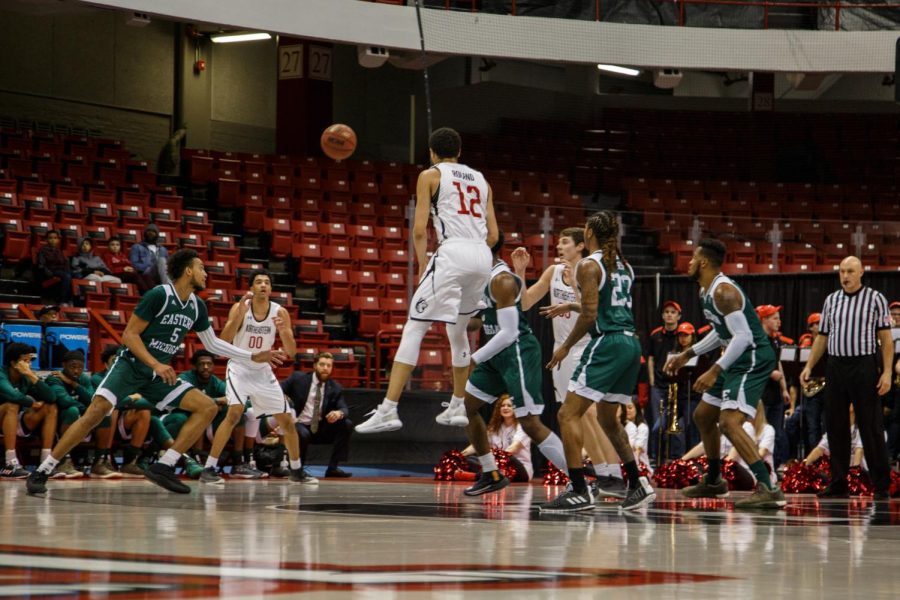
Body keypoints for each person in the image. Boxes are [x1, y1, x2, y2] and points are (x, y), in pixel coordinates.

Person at [25, 248, 285, 495]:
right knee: (96, 412)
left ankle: (164, 466)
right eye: (201, 268)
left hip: (156, 374)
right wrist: (156, 364)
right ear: (187, 272)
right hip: (131, 365)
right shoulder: (159, 295)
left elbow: (213, 344)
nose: (206, 274)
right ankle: (43, 470)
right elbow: (129, 335)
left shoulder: (197, 306)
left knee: (207, 407)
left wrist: (252, 355)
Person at [355, 127, 498, 434]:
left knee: (415, 327)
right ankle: (458, 404)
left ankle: (388, 409)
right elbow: (495, 235)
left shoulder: (430, 175)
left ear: (432, 152)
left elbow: (420, 230)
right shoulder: (482, 181)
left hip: (453, 252)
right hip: (482, 257)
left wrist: (423, 264)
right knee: (458, 331)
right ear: (459, 152)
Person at [541, 211, 656, 512]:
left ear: (589, 232)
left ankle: (579, 489)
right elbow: (605, 304)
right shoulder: (625, 266)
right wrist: (572, 303)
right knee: (607, 418)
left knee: (567, 415)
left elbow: (592, 315)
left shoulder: (588, 265)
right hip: (631, 343)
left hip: (608, 342)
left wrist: (565, 347)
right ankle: (636, 483)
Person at [665, 239, 786, 509]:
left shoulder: (724, 292)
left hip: (753, 356)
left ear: (704, 262)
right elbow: (722, 335)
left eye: (694, 258)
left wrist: (714, 369)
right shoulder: (705, 291)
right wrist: (687, 354)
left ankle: (769, 487)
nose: (690, 263)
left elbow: (742, 337)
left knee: (729, 422)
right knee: (703, 415)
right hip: (736, 356)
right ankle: (714, 480)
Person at [510, 227, 626, 498]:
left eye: (564, 242)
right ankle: (603, 475)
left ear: (580, 247)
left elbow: (592, 311)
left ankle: (615, 475)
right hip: (560, 351)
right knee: (577, 419)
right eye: (558, 242)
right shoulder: (552, 272)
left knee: (590, 415)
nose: (559, 246)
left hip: (585, 347)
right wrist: (520, 271)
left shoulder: (588, 271)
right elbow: (526, 303)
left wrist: (574, 283)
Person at [456, 235, 569, 497]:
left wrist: (473, 358)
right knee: (467, 408)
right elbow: (479, 322)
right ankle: (491, 473)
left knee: (529, 422)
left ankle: (581, 480)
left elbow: (508, 333)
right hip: (496, 352)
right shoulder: (479, 278)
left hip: (517, 349)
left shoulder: (502, 279)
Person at [799, 256, 893, 500]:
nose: (845, 276)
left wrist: (886, 372)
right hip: (836, 366)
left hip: (864, 365)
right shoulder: (832, 300)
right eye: (842, 271)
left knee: (870, 425)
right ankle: (838, 482)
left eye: (850, 271)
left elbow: (886, 340)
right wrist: (809, 365)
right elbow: (822, 337)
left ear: (861, 272)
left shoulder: (875, 298)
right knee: (835, 425)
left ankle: (881, 484)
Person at [213, 270, 310, 483]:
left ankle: (296, 470)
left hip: (262, 371)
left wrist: (284, 332)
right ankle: (209, 469)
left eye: (267, 282)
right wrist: (238, 315)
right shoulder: (240, 308)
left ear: (271, 289)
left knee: (287, 419)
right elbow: (224, 341)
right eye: (258, 282)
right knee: (234, 413)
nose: (263, 285)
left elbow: (292, 352)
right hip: (239, 367)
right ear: (251, 288)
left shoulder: (280, 312)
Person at [175, 350, 263, 480]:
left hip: (210, 424)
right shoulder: (185, 378)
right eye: (202, 364)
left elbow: (239, 400)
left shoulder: (215, 382)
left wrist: (225, 401)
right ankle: (198, 461)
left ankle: (238, 463)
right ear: (194, 366)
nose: (206, 367)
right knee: (200, 413)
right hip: (183, 420)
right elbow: (184, 401)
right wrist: (216, 401)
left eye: (209, 364)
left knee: (237, 414)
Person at [45, 350, 119, 478]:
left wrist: (74, 384)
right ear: (64, 365)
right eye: (72, 367)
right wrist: (85, 408)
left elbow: (92, 399)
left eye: (79, 368)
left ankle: (99, 462)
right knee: (72, 411)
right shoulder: (54, 378)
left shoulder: (83, 379)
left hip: (82, 423)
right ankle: (63, 460)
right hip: (57, 423)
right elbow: (64, 401)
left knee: (105, 414)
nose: (76, 371)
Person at [282, 352, 354, 478]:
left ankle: (333, 468)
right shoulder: (298, 378)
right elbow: (277, 389)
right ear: (315, 365)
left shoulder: (335, 387)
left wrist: (338, 413)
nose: (325, 368)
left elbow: (344, 408)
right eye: (322, 364)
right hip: (299, 424)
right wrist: (284, 401)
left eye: (328, 365)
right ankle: (297, 468)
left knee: (346, 424)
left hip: (320, 428)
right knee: (302, 434)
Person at [0, 343, 57, 479]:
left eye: (30, 361)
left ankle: (46, 463)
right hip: (3, 414)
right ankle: (11, 463)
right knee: (11, 405)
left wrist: (31, 375)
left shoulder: (25, 377)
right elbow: (13, 396)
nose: (29, 364)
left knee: (50, 407)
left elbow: (51, 397)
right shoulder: (1, 374)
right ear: (13, 363)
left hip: (13, 421)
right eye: (25, 361)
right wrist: (31, 402)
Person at [462, 395, 532, 482]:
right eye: (503, 406)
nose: (505, 408)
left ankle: (475, 476)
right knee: (470, 459)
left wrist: (491, 460)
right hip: (496, 464)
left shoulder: (523, 427)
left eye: (509, 406)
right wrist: (460, 456)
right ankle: (483, 475)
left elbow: (512, 449)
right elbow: (478, 445)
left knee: (509, 458)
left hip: (520, 468)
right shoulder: (494, 428)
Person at [646, 300, 683, 462]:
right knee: (657, 424)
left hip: (676, 385)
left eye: (673, 312)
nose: (669, 314)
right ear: (662, 315)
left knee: (676, 423)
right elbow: (651, 358)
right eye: (666, 312)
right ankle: (656, 458)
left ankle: (675, 458)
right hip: (658, 386)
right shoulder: (655, 335)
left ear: (679, 316)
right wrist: (652, 381)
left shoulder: (682, 335)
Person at [755, 304, 792, 470]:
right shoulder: (757, 340)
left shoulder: (775, 340)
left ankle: (776, 464)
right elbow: (753, 363)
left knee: (777, 431)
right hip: (761, 393)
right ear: (764, 319)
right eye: (775, 318)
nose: (779, 321)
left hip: (775, 393)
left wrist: (784, 388)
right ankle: (759, 463)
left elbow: (778, 364)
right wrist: (770, 374)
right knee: (761, 430)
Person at [35, 229, 72, 305]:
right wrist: (48, 272)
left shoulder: (59, 251)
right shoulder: (43, 250)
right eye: (50, 238)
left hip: (61, 271)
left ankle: (72, 300)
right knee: (67, 276)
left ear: (58, 240)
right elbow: (41, 264)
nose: (53, 240)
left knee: (75, 276)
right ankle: (63, 301)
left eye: (55, 238)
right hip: (51, 271)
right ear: (46, 239)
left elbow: (65, 263)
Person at [128, 224, 169, 292]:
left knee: (163, 261)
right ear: (145, 233)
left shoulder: (163, 249)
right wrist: (148, 265)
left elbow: (167, 265)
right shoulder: (137, 247)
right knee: (161, 260)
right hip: (146, 273)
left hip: (161, 273)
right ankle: (168, 288)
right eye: (148, 231)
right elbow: (134, 264)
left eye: (153, 231)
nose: (150, 233)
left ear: (157, 234)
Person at [620, 402, 651, 474]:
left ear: (637, 409)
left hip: (640, 466)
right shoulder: (622, 426)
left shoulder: (642, 427)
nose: (627, 410)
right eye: (624, 408)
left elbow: (637, 450)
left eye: (630, 408)